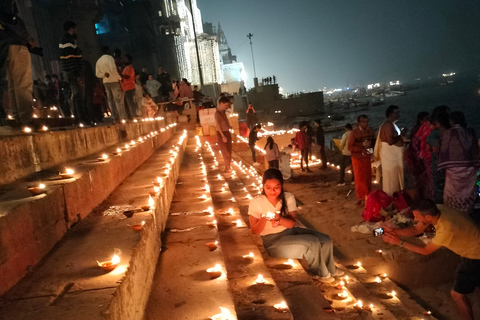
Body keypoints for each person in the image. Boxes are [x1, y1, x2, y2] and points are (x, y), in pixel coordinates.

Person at [382, 199, 480, 320]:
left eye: (417, 217)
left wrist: (400, 243)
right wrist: (394, 232)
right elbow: (416, 230)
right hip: (474, 245)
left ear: (428, 217)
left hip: (474, 255)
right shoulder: (437, 209)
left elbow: (425, 251)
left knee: (457, 295)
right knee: (475, 283)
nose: (415, 219)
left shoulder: (446, 228)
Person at [248, 169, 344, 283]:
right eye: (268, 187)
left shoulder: (288, 198)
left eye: (276, 187)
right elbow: (255, 231)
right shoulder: (257, 202)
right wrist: (264, 218)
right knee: (312, 242)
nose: (272, 191)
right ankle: (319, 272)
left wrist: (279, 219)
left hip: (290, 231)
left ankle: (330, 269)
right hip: (273, 242)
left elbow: (291, 224)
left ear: (282, 185)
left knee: (325, 240)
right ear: (263, 186)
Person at [1, 0, 35, 130]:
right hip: (16, 43)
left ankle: (18, 117)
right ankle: (26, 119)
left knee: (13, 84)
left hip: (5, 45)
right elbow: (11, 19)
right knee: (22, 83)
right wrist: (27, 39)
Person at [438, 111, 479, 215]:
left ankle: (454, 217)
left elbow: (443, 151)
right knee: (468, 193)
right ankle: (467, 216)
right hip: (469, 169)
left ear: (451, 121)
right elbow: (475, 151)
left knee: (452, 194)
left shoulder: (447, 133)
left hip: (452, 171)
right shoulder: (469, 132)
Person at [374, 105, 405, 196]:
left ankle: (396, 196)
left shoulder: (390, 125)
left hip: (392, 156)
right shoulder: (388, 125)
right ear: (391, 114)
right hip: (390, 157)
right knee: (392, 178)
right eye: (397, 112)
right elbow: (390, 141)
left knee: (393, 178)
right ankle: (392, 197)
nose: (399, 114)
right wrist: (401, 135)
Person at [348, 114, 375, 205]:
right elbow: (350, 147)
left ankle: (368, 195)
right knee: (360, 177)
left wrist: (372, 151)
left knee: (368, 176)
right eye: (363, 122)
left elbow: (374, 143)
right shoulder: (354, 133)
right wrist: (361, 148)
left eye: (367, 122)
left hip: (367, 157)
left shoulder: (371, 131)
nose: (365, 124)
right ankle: (361, 196)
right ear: (359, 123)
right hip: (358, 158)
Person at [95, 46, 125, 122]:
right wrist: (120, 78)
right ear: (107, 51)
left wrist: (104, 75)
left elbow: (97, 74)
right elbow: (113, 69)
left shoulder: (99, 61)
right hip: (114, 81)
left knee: (110, 100)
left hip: (106, 82)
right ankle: (121, 116)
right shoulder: (110, 58)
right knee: (117, 100)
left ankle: (114, 117)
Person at [427, 106, 450, 203]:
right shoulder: (452, 131)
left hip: (438, 164)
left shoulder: (434, 133)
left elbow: (431, 149)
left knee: (439, 189)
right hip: (452, 166)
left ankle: (441, 212)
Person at [215, 96, 233, 173]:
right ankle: (227, 168)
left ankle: (228, 167)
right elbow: (218, 125)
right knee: (226, 152)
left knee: (229, 151)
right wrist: (223, 136)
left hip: (227, 132)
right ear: (221, 103)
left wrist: (229, 126)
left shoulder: (223, 112)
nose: (226, 107)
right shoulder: (217, 114)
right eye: (225, 105)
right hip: (222, 134)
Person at [121, 54, 136, 120]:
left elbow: (128, 76)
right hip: (126, 88)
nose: (124, 60)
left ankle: (133, 116)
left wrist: (120, 75)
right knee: (127, 103)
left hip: (129, 88)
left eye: (126, 59)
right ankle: (130, 116)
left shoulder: (129, 68)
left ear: (129, 60)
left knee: (131, 103)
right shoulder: (126, 68)